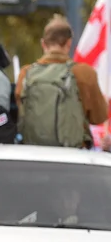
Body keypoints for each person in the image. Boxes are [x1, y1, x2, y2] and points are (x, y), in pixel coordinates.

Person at [16, 15, 108, 148]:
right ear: (69, 43)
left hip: (33, 153)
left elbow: (20, 111)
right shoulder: (84, 73)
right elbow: (98, 117)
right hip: (72, 156)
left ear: (43, 43)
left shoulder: (26, 73)